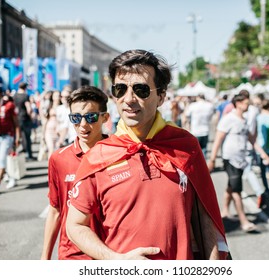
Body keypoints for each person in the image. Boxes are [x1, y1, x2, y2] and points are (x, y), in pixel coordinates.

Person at [66, 49, 228, 260]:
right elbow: (75, 225)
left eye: (141, 90)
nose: (129, 99)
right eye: (120, 89)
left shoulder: (185, 146)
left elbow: (205, 218)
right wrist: (116, 260)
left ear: (161, 96)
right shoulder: (99, 155)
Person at [41, 86, 109, 260]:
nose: (83, 125)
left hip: (110, 252)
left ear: (105, 118)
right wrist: (45, 257)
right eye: (76, 118)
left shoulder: (119, 155)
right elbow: (55, 210)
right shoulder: (58, 159)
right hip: (72, 254)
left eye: (91, 117)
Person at [208, 93, 269, 232]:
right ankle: (244, 220)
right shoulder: (228, 119)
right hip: (231, 159)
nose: (248, 105)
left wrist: (263, 154)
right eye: (246, 102)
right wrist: (212, 160)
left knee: (231, 186)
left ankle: (224, 211)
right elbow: (218, 140)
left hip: (241, 159)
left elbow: (252, 139)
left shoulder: (243, 119)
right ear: (238, 103)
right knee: (237, 190)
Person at [185, 94, 215, 158]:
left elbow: (187, 115)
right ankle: (203, 166)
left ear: (198, 97)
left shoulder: (193, 105)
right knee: (204, 150)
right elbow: (210, 117)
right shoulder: (209, 105)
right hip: (205, 130)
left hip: (195, 131)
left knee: (194, 151)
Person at [13, 82, 35, 161]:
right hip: (25, 119)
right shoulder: (25, 96)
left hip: (16, 119)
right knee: (27, 137)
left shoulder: (14, 96)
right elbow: (28, 108)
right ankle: (29, 155)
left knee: (17, 137)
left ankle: (15, 154)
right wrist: (31, 117)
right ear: (25, 88)